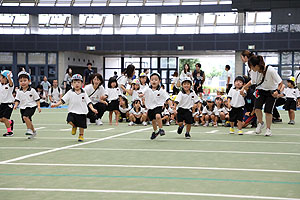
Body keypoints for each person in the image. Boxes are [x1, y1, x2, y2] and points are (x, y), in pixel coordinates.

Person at [51, 74, 98, 142]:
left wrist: (92, 109)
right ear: (72, 83)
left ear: (82, 83)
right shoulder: (70, 92)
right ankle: (74, 126)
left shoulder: (84, 93)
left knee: (82, 126)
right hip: (72, 111)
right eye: (75, 82)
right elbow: (63, 100)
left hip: (82, 112)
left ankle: (81, 135)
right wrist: (56, 105)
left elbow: (89, 102)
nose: (77, 84)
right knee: (69, 120)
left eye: (78, 82)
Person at [246, 55, 283, 136]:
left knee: (268, 111)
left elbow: (280, 83)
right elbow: (252, 81)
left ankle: (268, 129)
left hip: (271, 92)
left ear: (257, 65)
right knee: (257, 108)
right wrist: (244, 88)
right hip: (260, 90)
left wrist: (277, 91)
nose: (251, 69)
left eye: (252, 66)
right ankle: (260, 123)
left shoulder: (270, 70)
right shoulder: (253, 72)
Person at [139, 72, 172, 140]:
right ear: (150, 81)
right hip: (150, 107)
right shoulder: (147, 88)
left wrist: (171, 105)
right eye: (152, 79)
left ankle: (161, 129)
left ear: (159, 81)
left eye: (156, 79)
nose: (154, 81)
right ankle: (155, 131)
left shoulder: (162, 91)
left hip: (158, 106)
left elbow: (168, 98)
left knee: (158, 116)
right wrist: (141, 95)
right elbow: (141, 92)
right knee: (153, 121)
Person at [14, 71, 41, 139]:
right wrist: (15, 105)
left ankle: (29, 129)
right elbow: (17, 99)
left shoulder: (32, 90)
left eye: (25, 80)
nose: (23, 82)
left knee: (25, 117)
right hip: (23, 107)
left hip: (31, 106)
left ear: (29, 81)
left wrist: (38, 106)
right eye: (21, 81)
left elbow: (37, 99)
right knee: (28, 120)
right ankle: (34, 131)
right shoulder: (19, 91)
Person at [0, 70, 15, 137]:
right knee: (1, 119)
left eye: (1, 77)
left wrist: (9, 77)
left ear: (5, 78)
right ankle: (10, 122)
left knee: (5, 118)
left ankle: (9, 132)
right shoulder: (0, 85)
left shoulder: (9, 86)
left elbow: (11, 83)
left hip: (9, 104)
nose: (0, 78)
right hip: (2, 104)